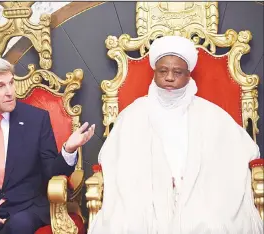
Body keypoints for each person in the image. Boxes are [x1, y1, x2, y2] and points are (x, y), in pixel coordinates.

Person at [88, 36, 263, 234]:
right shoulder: (134, 113)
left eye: (177, 72)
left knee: (211, 224)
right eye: (163, 71)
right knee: (128, 224)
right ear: (155, 73)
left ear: (189, 76)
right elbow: (114, 159)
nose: (169, 77)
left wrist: (187, 179)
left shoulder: (210, 113)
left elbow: (244, 151)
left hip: (199, 193)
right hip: (144, 194)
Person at [0, 56, 95, 234]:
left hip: (24, 209)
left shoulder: (37, 119)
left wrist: (68, 149)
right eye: (0, 86)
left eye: (11, 83)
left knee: (20, 225)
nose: (10, 91)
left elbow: (52, 171)